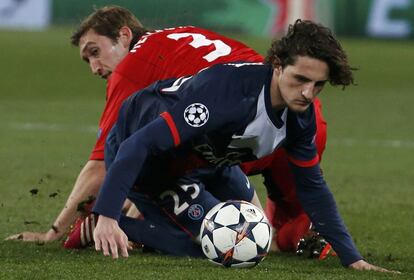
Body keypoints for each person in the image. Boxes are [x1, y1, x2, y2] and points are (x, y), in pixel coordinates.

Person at [91, 19, 396, 272]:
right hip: (153, 163)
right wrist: (107, 213)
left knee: (254, 239)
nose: (307, 92)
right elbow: (138, 144)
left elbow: (312, 188)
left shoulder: (300, 118)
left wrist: (353, 259)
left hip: (209, 161)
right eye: (301, 79)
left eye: (318, 85)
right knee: (212, 249)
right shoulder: (227, 96)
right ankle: (99, 226)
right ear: (277, 65)